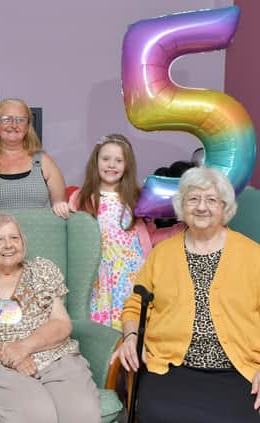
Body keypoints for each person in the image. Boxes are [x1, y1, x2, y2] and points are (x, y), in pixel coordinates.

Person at [111, 167, 260, 423]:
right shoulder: (162, 254)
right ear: (182, 205)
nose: (201, 207)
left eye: (211, 200)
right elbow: (135, 305)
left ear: (225, 207)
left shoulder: (252, 254)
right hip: (171, 367)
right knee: (158, 415)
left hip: (237, 369)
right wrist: (130, 335)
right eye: (193, 199)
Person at [0, 213, 101, 423]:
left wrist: (24, 347)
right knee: (36, 414)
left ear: (23, 242)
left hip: (54, 357)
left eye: (14, 238)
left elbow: (61, 323)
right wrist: (9, 353)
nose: (8, 245)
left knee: (82, 412)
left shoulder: (42, 271)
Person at [68, 134, 183, 331]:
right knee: (101, 331)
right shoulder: (82, 197)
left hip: (131, 273)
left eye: (118, 160)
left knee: (132, 324)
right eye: (106, 159)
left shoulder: (137, 197)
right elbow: (72, 233)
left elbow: (152, 236)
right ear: (95, 162)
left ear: (127, 165)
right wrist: (60, 210)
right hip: (98, 275)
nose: (111, 165)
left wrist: (181, 229)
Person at [0, 98, 69, 218]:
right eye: (6, 119)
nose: (14, 125)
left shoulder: (44, 162)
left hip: (41, 235)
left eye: (20, 120)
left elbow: (61, 208)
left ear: (28, 126)